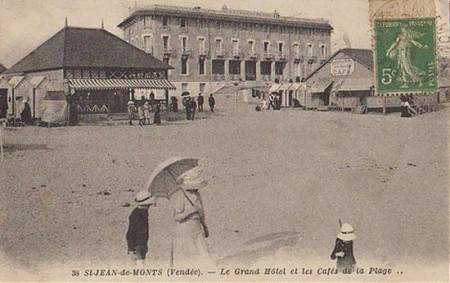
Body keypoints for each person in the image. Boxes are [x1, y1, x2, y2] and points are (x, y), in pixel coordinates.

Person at [169, 166, 214, 268]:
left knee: (203, 252)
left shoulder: (197, 195)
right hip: (184, 230)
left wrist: (205, 226)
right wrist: (189, 211)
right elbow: (176, 217)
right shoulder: (180, 197)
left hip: (197, 228)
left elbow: (201, 213)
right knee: (187, 257)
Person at [126, 190, 156, 266]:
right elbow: (131, 233)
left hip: (142, 245)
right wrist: (131, 249)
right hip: (138, 246)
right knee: (140, 265)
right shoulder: (137, 215)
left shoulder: (142, 213)